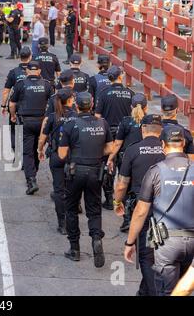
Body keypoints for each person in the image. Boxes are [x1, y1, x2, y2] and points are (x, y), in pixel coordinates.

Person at [124, 126, 194, 296]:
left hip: (166, 243)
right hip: (192, 239)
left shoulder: (155, 171)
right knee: (183, 289)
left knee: (166, 290)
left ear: (163, 144)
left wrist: (130, 242)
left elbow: (141, 211)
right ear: (183, 143)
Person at [58, 92, 113, 267]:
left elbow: (61, 154)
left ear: (76, 105)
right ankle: (96, 238)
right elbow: (109, 148)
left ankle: (74, 249)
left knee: (72, 209)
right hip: (95, 171)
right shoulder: (102, 123)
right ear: (92, 105)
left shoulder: (71, 124)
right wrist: (95, 152)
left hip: (75, 172)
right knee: (94, 210)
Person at [113, 114, 164, 296]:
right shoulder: (169, 151)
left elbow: (122, 184)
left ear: (143, 129)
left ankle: (153, 291)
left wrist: (117, 202)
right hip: (169, 209)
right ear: (161, 131)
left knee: (146, 256)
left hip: (144, 209)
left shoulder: (133, 150)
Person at [9, 61, 53, 195]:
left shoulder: (21, 84)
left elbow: (12, 104)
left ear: (27, 71)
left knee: (27, 152)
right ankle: (34, 173)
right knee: (37, 149)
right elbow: (52, 104)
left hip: (26, 122)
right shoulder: (47, 85)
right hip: (42, 122)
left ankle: (31, 179)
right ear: (39, 71)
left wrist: (12, 116)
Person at [38, 87, 78, 234]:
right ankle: (72, 219)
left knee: (59, 190)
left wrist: (39, 150)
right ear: (70, 100)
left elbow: (43, 138)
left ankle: (63, 223)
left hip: (56, 156)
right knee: (72, 190)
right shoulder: (77, 117)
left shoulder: (52, 117)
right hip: (73, 157)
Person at [95, 65, 134, 211]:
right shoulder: (129, 93)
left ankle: (109, 198)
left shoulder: (104, 93)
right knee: (125, 167)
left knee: (108, 165)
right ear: (121, 76)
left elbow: (98, 116)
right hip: (126, 133)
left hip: (109, 134)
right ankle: (124, 200)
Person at [107, 93, 148, 232]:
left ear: (131, 106)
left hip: (126, 158)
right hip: (144, 158)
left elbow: (118, 143)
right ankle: (141, 217)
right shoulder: (150, 122)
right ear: (146, 107)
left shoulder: (125, 121)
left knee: (125, 186)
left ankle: (127, 219)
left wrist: (110, 158)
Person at [2, 47, 32, 153]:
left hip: (15, 105)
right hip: (31, 105)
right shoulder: (35, 72)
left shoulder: (13, 72)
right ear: (30, 57)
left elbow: (6, 91)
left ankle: (16, 150)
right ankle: (28, 152)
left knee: (14, 129)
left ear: (20, 57)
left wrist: (3, 105)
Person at [160, 94, 194, 159]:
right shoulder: (185, 133)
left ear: (161, 110)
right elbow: (191, 159)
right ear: (177, 110)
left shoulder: (153, 130)